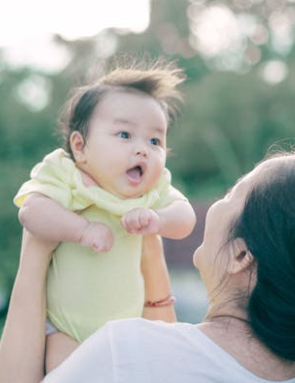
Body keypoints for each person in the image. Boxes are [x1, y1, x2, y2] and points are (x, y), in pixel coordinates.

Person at [0, 147, 295, 383]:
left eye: (232, 193)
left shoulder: (126, 355)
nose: (219, 204)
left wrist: (36, 246)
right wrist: (150, 254)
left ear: (242, 255)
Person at [12, 60, 196, 371]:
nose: (143, 150)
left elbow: (185, 218)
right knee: (64, 369)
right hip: (65, 330)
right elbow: (32, 212)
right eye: (125, 135)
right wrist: (80, 229)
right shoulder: (67, 176)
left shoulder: (150, 193)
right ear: (80, 147)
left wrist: (158, 220)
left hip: (128, 330)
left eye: (155, 141)